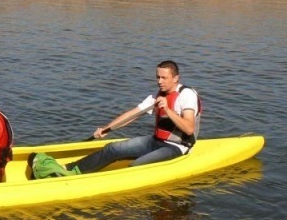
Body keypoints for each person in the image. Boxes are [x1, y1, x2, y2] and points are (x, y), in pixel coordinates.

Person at [34, 60, 201, 177]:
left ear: (176, 78)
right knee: (112, 149)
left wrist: (168, 110)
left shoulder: (186, 95)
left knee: (135, 167)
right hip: (155, 141)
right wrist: (107, 129)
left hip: (177, 147)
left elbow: (189, 129)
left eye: (164, 78)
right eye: (157, 77)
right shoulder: (157, 96)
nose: (159, 81)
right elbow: (132, 114)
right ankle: (67, 170)